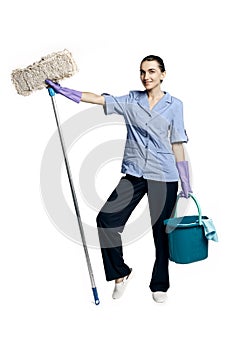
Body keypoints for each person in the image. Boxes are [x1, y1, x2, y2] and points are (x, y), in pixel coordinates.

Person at [46, 55, 192, 303]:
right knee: (106, 219)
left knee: (161, 232)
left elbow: (177, 142)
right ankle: (120, 274)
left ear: (163, 75)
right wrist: (64, 91)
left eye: (152, 71)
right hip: (135, 173)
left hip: (164, 176)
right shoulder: (131, 101)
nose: (147, 76)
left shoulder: (174, 105)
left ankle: (160, 284)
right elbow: (98, 99)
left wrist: (186, 181)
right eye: (143, 72)